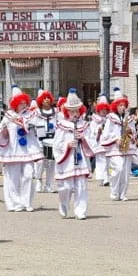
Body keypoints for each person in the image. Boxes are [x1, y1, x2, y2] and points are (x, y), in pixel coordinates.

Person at [0, 86, 42, 212]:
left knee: (29, 175)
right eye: (20, 103)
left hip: (28, 150)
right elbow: (0, 133)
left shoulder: (31, 115)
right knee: (13, 178)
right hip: (12, 151)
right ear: (15, 104)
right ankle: (16, 203)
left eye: (24, 103)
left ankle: (26, 202)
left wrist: (25, 124)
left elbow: (37, 128)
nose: (23, 105)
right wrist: (5, 130)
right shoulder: (8, 116)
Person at [52, 89, 94, 220]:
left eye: (77, 111)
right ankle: (63, 204)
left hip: (81, 160)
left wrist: (83, 139)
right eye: (72, 111)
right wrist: (68, 146)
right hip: (67, 161)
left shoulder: (84, 125)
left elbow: (92, 142)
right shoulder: (62, 125)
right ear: (67, 112)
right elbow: (56, 145)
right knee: (66, 187)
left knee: (81, 186)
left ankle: (80, 211)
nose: (75, 114)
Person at [100, 89, 138, 202]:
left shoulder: (129, 118)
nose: (122, 107)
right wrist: (115, 139)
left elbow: (134, 133)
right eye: (120, 105)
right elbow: (106, 134)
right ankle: (114, 191)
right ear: (116, 106)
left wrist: (131, 133)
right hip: (115, 148)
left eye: (124, 105)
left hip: (127, 148)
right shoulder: (111, 118)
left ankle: (122, 194)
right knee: (118, 168)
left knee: (126, 172)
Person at [32, 90, 58, 194]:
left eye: (48, 98)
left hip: (52, 139)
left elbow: (60, 123)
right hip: (39, 139)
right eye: (44, 98)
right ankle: (38, 180)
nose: (47, 100)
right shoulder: (36, 112)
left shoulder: (56, 112)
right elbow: (32, 123)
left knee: (51, 162)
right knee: (40, 162)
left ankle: (49, 184)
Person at [90, 94, 111, 187]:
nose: (104, 111)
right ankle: (102, 179)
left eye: (105, 109)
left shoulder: (109, 119)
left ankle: (106, 178)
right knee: (100, 161)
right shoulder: (94, 120)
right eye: (102, 109)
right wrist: (98, 131)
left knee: (107, 161)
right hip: (99, 143)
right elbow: (91, 133)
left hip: (108, 143)